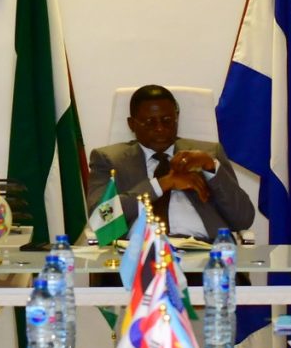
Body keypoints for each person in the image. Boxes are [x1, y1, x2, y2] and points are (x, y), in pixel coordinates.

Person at [86, 87, 258, 241]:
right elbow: (100, 220)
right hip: (139, 255)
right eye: (150, 122)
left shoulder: (208, 154)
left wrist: (211, 167)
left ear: (177, 119)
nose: (160, 128)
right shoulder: (109, 159)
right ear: (131, 124)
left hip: (206, 252)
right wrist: (162, 184)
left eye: (167, 120)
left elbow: (243, 219)